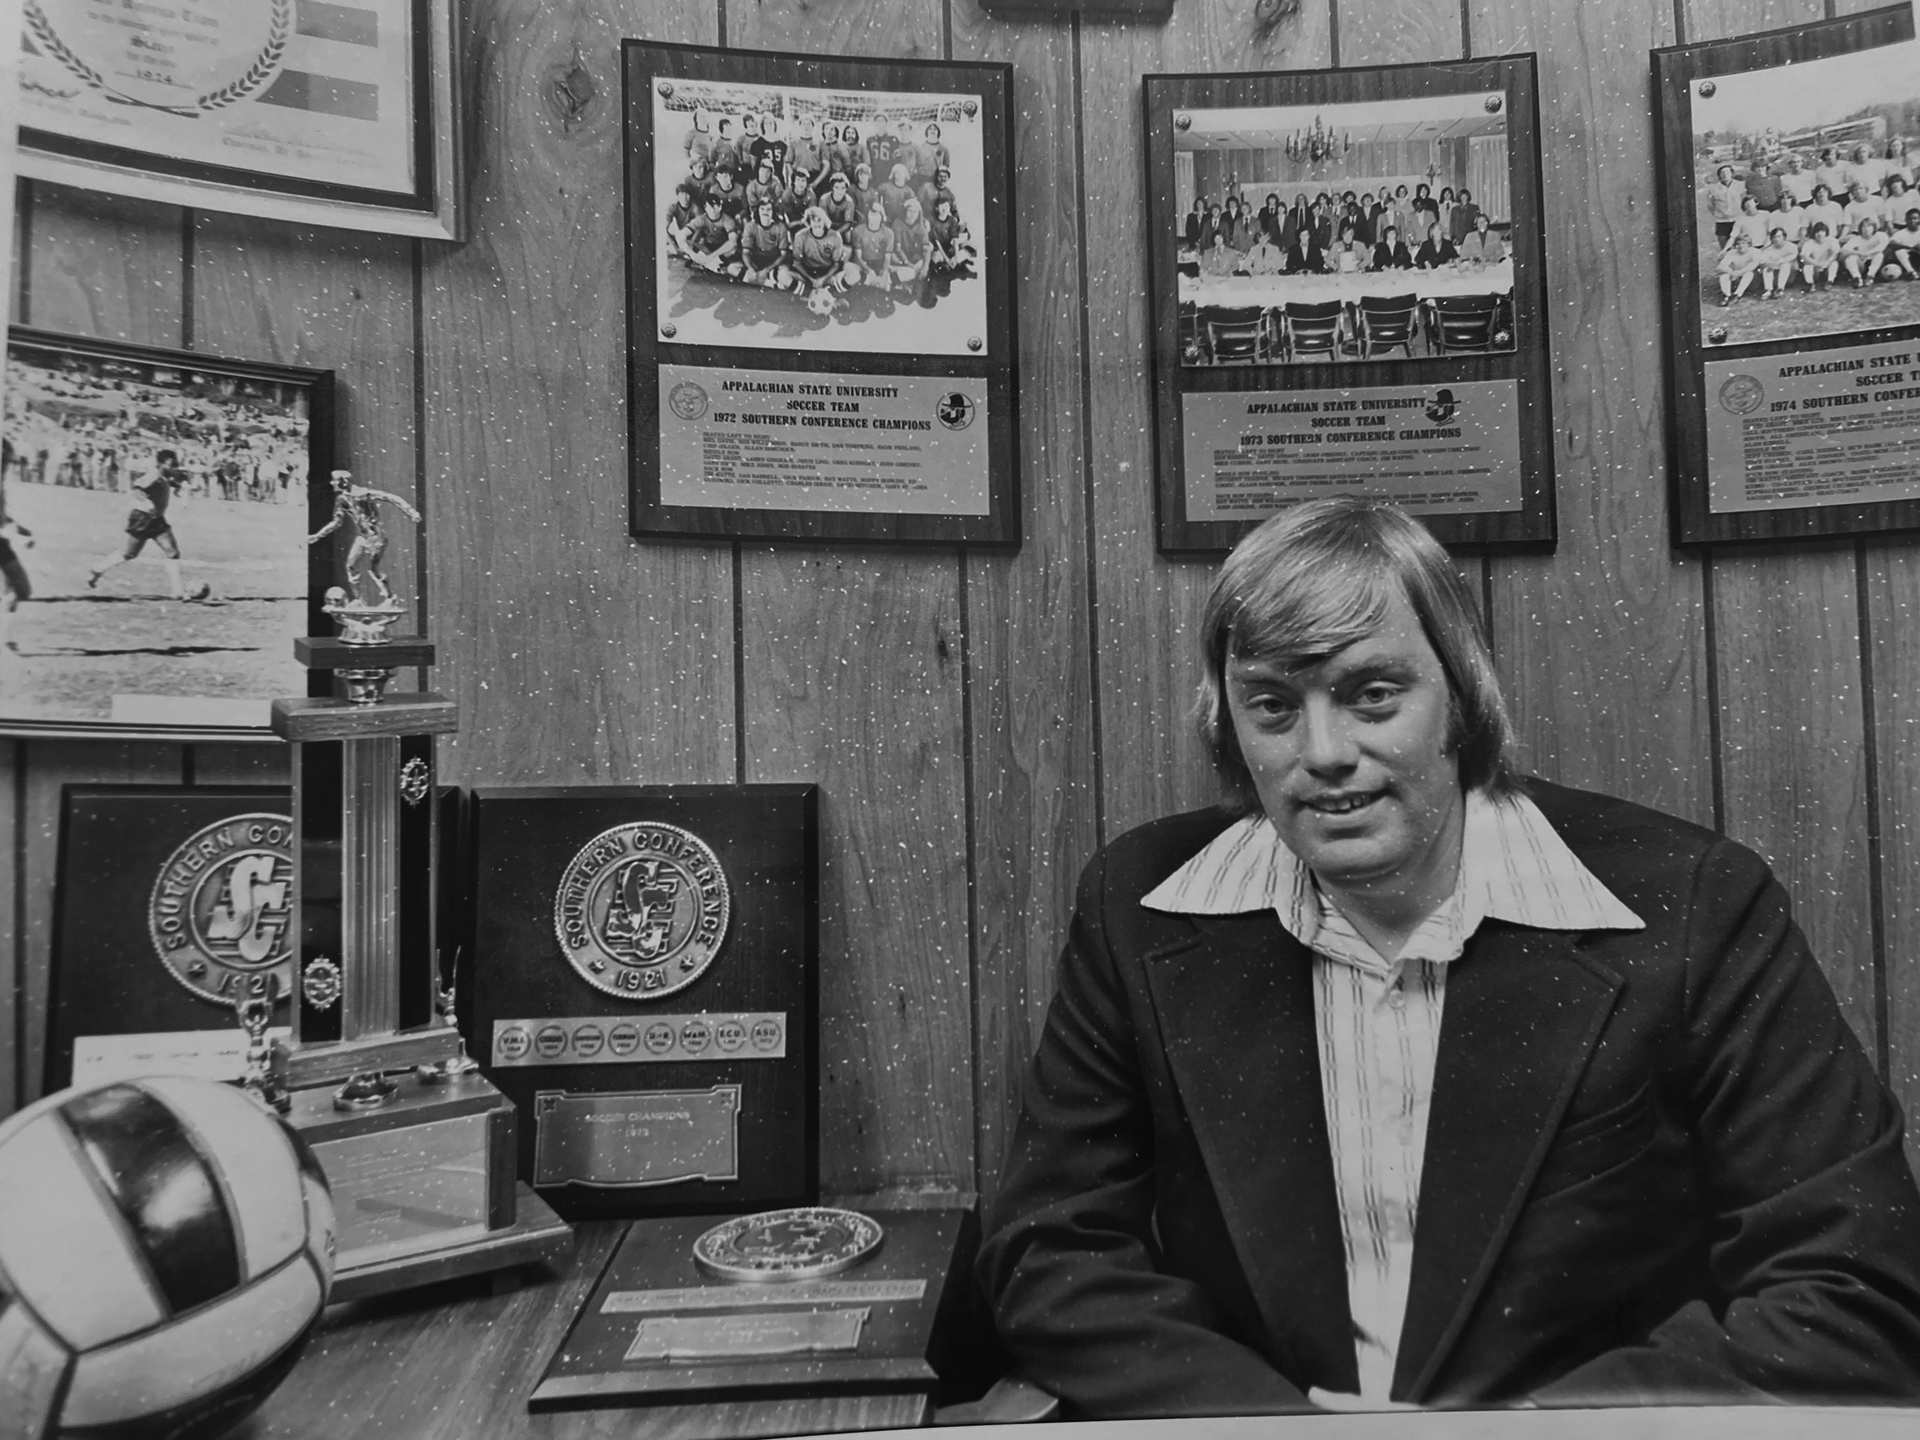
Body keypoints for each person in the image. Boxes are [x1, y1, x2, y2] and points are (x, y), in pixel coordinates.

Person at [977, 498, 1920, 1417]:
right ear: (1228, 723)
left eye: (1371, 693)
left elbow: (1851, 1285)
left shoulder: (1696, 904)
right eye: (1271, 704)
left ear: (1462, 698)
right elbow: (1050, 1251)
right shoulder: (1139, 907)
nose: (1324, 752)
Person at [87, 448, 203, 600]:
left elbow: (167, 484)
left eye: (175, 464)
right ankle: (98, 569)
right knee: (129, 553)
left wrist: (181, 487)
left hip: (157, 519)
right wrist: (147, 502)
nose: (173, 467)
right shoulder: (153, 475)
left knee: (172, 552)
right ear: (160, 464)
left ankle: (178, 591)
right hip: (142, 518)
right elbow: (136, 488)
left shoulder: (163, 476)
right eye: (170, 464)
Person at [308, 470, 420, 611]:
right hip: (362, 537)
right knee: (350, 565)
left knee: (373, 569)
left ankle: (390, 597)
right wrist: (317, 536)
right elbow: (336, 522)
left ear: (344, 481)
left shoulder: (364, 494)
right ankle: (358, 600)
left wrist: (411, 511)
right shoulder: (342, 500)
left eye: (335, 481)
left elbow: (391, 497)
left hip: (376, 536)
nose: (332, 484)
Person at [739, 198, 793, 289]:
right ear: (758, 211)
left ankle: (765, 279)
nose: (765, 212)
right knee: (732, 269)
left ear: (773, 212)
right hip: (756, 261)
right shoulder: (750, 226)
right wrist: (751, 269)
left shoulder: (780, 227)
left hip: (774, 262)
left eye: (768, 209)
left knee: (786, 279)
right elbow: (745, 253)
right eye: (762, 209)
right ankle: (771, 284)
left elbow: (783, 255)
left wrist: (767, 270)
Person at [1704, 163, 1745, 248]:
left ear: (1732, 173)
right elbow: (1710, 205)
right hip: (1722, 222)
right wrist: (1719, 214)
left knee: (1740, 244)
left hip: (1737, 219)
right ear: (1719, 175)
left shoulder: (1740, 185)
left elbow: (1744, 201)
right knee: (1724, 246)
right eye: (1722, 173)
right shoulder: (1713, 189)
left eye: (1727, 172)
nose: (1725, 174)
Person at [1715, 231, 1761, 304]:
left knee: (1749, 273)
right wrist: (1730, 272)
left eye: (1743, 243)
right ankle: (1727, 295)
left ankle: (1737, 294)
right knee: (1724, 275)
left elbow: (1753, 265)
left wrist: (1739, 272)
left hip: (1752, 280)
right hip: (1736, 277)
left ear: (1749, 244)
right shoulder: (1732, 253)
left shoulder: (1755, 252)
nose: (1740, 246)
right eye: (1738, 243)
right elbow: (1720, 267)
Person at [1757, 225, 1799, 297]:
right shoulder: (1768, 250)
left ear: (1784, 237)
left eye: (1779, 236)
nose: (1776, 239)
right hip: (1775, 275)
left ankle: (1780, 289)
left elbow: (1792, 257)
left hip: (1789, 275)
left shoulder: (1791, 246)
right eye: (1774, 237)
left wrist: (1779, 262)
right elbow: (1763, 261)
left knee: (1785, 265)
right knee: (1767, 268)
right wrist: (1770, 264)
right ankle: (1769, 290)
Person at [1799, 220, 1841, 291]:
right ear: (1814, 233)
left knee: (1834, 263)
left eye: (1822, 231)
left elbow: (1835, 254)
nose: (1820, 234)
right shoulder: (1809, 243)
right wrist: (1816, 263)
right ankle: (1810, 284)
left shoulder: (1832, 240)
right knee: (1807, 266)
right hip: (1815, 270)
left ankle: (1829, 282)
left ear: (1826, 232)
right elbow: (1804, 256)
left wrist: (1827, 262)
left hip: (1827, 268)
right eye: (1817, 232)